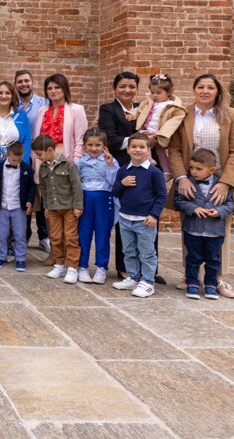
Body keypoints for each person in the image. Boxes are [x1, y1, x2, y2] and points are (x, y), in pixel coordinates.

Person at [167, 73, 234, 299]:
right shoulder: (183, 114)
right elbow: (174, 149)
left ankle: (217, 279)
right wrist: (181, 178)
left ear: (217, 92)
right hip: (190, 180)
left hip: (220, 181)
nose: (205, 91)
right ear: (194, 90)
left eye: (210, 87)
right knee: (190, 227)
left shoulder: (231, 115)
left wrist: (226, 183)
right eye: (201, 87)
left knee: (218, 229)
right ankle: (190, 276)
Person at [112, 133, 167, 298]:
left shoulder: (154, 172)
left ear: (148, 150)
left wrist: (154, 215)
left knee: (147, 252)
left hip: (145, 221)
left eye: (142, 147)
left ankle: (148, 282)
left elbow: (161, 196)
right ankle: (133, 277)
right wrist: (122, 184)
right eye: (134, 147)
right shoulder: (123, 171)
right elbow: (115, 192)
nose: (137, 150)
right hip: (125, 219)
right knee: (128, 251)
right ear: (128, 150)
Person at [175, 148, 234, 300]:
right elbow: (179, 201)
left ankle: (211, 285)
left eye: (198, 169)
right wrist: (193, 208)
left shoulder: (222, 185)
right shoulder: (186, 183)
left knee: (213, 259)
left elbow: (230, 204)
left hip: (215, 231)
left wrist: (219, 211)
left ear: (212, 170)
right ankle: (192, 283)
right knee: (193, 258)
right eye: (191, 168)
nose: (194, 172)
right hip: (192, 230)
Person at [97, 71, 140, 279]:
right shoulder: (108, 109)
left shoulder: (142, 109)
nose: (127, 90)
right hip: (121, 168)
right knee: (124, 218)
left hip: (144, 169)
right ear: (115, 88)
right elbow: (111, 140)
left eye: (132, 86)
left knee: (144, 220)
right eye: (123, 86)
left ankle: (148, 268)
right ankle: (124, 267)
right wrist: (140, 142)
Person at [32, 134, 83, 283]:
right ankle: (59, 264)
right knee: (55, 237)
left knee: (71, 237)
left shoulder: (68, 165)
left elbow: (76, 186)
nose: (38, 158)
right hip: (53, 208)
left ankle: (72, 267)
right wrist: (46, 207)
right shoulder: (43, 168)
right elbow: (44, 189)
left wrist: (78, 206)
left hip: (69, 208)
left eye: (39, 154)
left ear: (49, 150)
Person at [75, 128, 119, 284]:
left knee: (103, 234)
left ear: (104, 146)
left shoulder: (111, 161)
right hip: (86, 200)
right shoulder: (79, 163)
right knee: (84, 234)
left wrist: (110, 165)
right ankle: (82, 266)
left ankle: (101, 267)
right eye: (90, 145)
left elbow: (114, 182)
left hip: (104, 200)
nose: (94, 148)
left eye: (98, 145)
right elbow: (76, 183)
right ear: (84, 146)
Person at [14, 69, 50, 254]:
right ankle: (25, 234)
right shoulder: (13, 105)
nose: (23, 84)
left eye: (26, 80)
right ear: (16, 85)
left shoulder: (44, 104)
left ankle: (44, 236)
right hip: (19, 155)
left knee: (41, 196)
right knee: (25, 194)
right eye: (20, 81)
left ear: (32, 82)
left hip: (39, 154)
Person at [127, 73, 186, 182]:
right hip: (145, 130)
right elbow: (139, 109)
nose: (154, 95)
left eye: (159, 93)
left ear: (168, 92)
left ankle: (167, 171)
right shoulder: (149, 102)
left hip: (158, 132)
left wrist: (160, 135)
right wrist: (132, 114)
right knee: (143, 145)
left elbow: (172, 123)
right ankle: (148, 162)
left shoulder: (173, 106)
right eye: (152, 92)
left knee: (161, 152)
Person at [0, 142, 35, 271]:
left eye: (18, 160)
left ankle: (20, 258)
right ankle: (0, 256)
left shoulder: (26, 168)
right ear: (7, 155)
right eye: (13, 160)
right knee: (1, 234)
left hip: (18, 206)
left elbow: (32, 186)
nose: (16, 163)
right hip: (3, 206)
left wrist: (30, 201)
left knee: (20, 234)